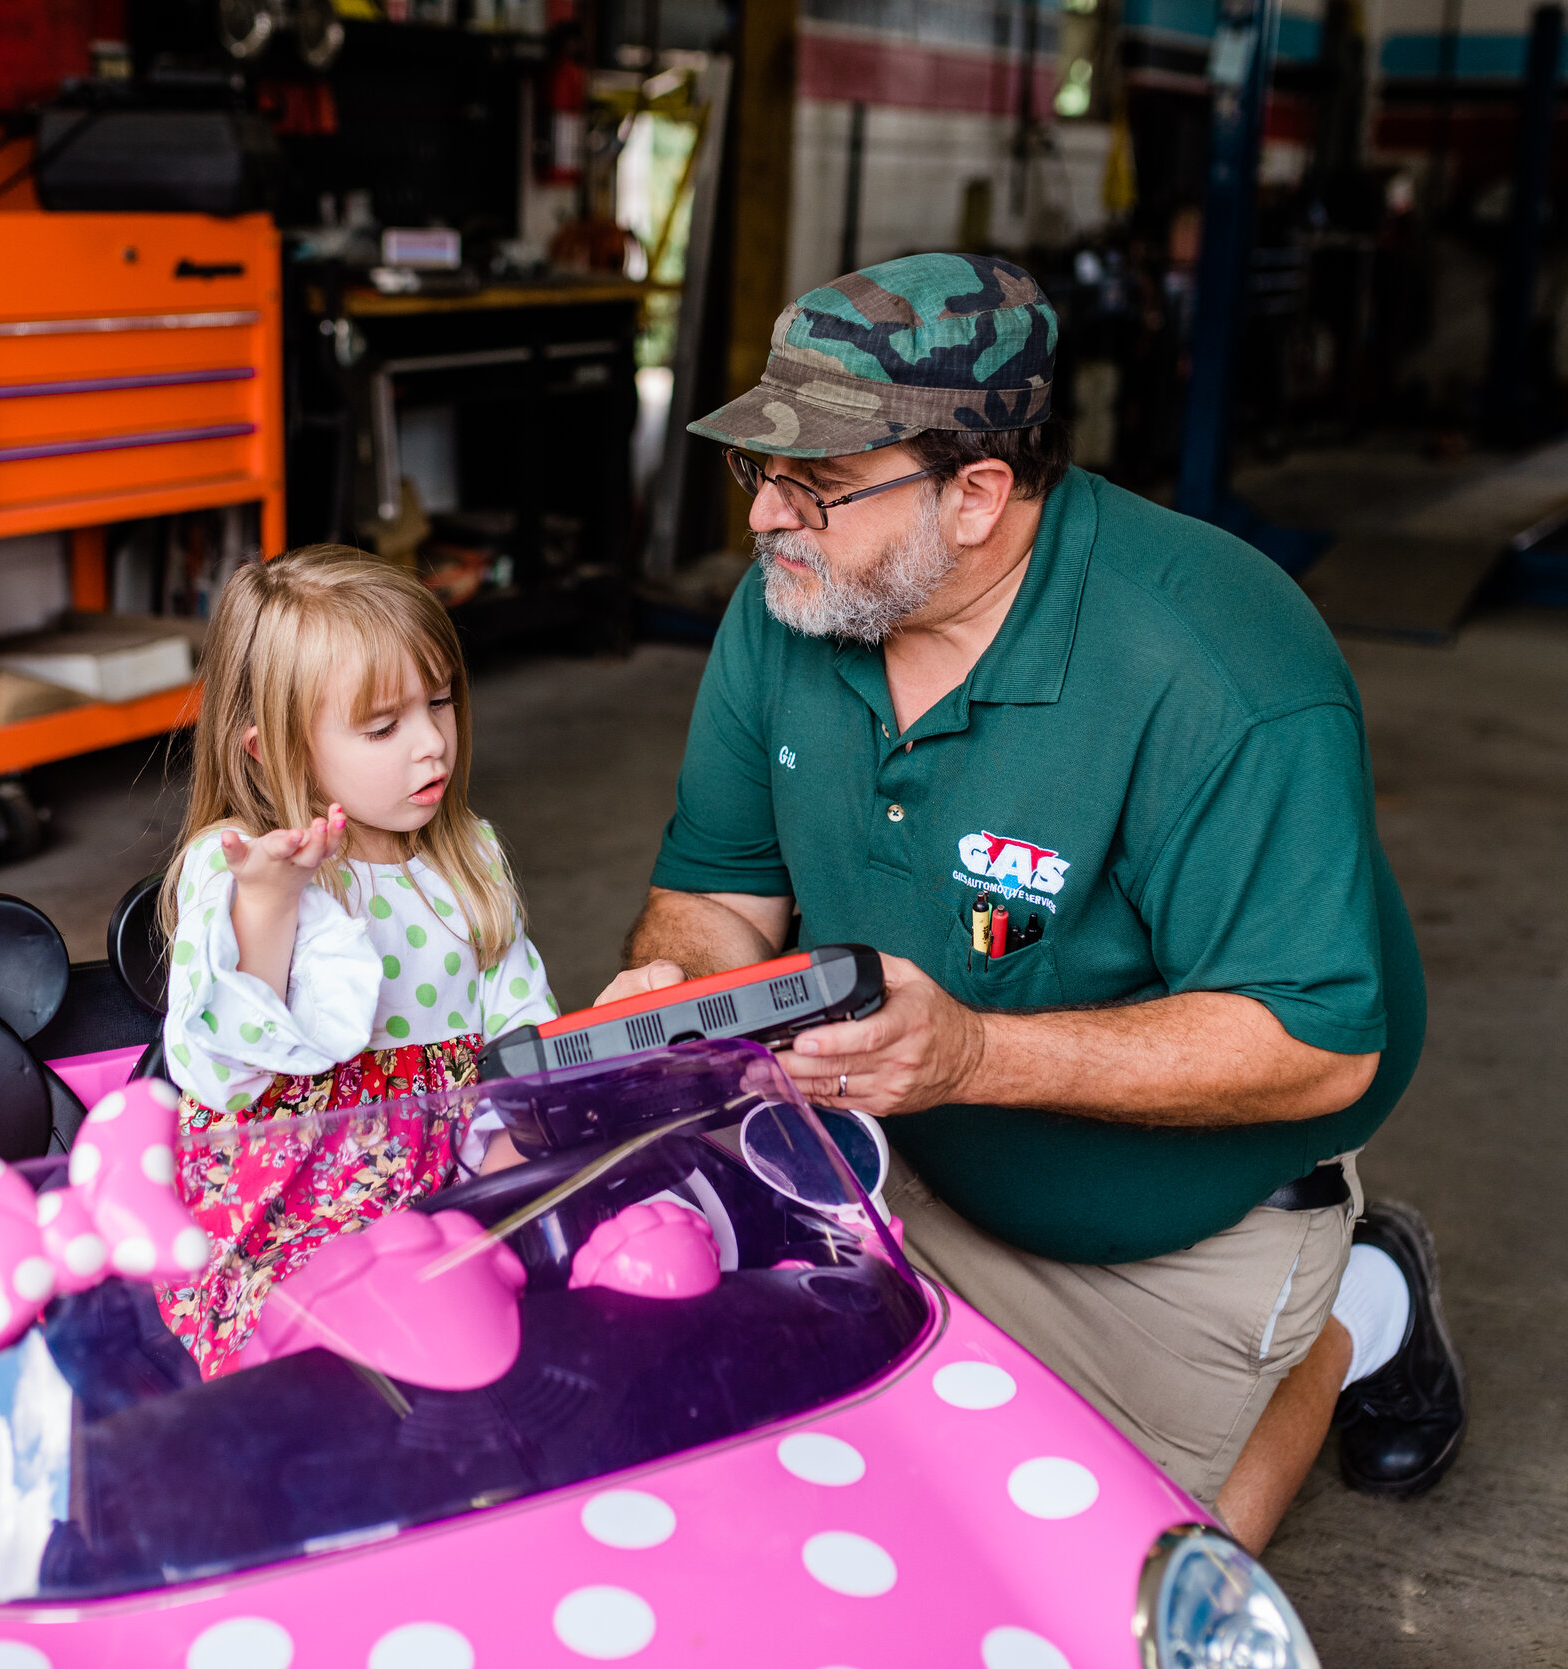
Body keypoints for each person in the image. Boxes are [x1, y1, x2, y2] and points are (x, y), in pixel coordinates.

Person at [606, 254, 1466, 1549]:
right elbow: (719, 893)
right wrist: (677, 997)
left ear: (976, 495)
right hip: (879, 1157)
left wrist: (969, 1056)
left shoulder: (1218, 668)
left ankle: (1354, 1310)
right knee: (712, 1466)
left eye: (817, 482)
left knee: (1095, 1587)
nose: (767, 518)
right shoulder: (798, 598)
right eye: (758, 470)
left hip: (1162, 1235)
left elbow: (1318, 1043)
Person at [154, 545, 557, 1377]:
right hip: (291, 1231)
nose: (432, 743)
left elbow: (521, 1030)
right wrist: (269, 906)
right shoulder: (235, 867)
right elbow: (222, 1072)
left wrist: (516, 1139)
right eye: (382, 727)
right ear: (271, 748)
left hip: (452, 1202)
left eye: (439, 702)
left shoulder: (470, 856)